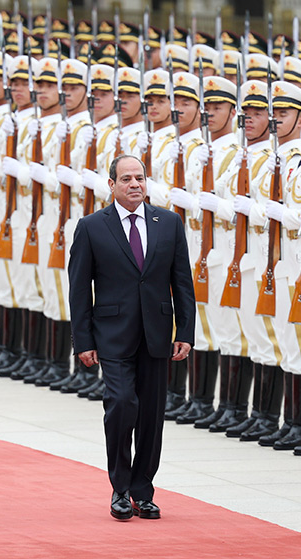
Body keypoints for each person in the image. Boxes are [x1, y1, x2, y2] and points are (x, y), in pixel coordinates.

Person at [68, 154, 195, 521]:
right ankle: (120, 488)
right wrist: (84, 340)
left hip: (157, 335)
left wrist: (185, 331)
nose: (135, 184)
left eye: (140, 178)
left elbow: (182, 282)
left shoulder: (168, 223)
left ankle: (143, 491)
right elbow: (79, 289)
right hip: (112, 335)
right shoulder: (92, 227)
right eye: (126, 179)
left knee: (152, 417)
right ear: (111, 185)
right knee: (122, 405)